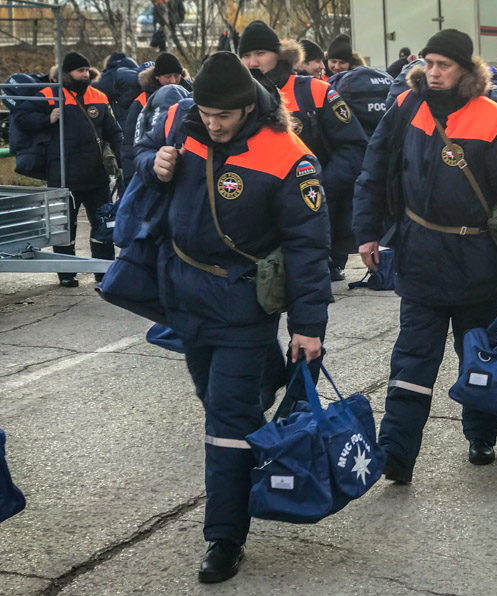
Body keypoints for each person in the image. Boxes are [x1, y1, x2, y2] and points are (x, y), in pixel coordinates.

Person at [134, 51, 331, 583]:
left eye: (222, 115)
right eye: (206, 113)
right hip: (184, 298)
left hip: (243, 304)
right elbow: (142, 153)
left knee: (225, 418)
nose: (213, 123)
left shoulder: (290, 156)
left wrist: (308, 326)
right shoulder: (185, 124)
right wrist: (154, 164)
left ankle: (224, 536)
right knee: (219, 402)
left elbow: (309, 248)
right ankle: (260, 403)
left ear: (247, 108)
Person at [354, 29, 497, 482]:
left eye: (444, 65)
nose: (433, 73)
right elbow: (373, 171)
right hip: (420, 256)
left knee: (478, 357)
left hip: (478, 261)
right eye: (429, 63)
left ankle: (481, 436)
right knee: (411, 361)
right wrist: (366, 233)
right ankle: (396, 455)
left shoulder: (496, 120)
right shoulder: (405, 106)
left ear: (465, 70)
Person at [238, 21, 367, 281]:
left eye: (260, 53)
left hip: (313, 216)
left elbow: (353, 146)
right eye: (246, 55)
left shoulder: (315, 91)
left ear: (278, 55)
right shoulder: (235, 99)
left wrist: (322, 187)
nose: (253, 62)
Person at [15, 51, 121, 287]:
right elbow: (21, 117)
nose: (85, 75)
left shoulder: (98, 96)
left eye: (86, 71)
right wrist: (47, 119)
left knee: (104, 225)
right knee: (64, 230)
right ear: (67, 73)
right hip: (63, 175)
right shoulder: (49, 94)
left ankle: (103, 271)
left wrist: (123, 163)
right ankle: (66, 274)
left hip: (96, 176)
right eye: (80, 71)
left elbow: (114, 133)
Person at [122, 52, 191, 182]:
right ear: (157, 77)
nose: (173, 81)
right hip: (151, 166)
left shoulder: (188, 96)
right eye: (168, 76)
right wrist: (130, 177)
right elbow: (130, 142)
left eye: (177, 76)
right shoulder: (142, 102)